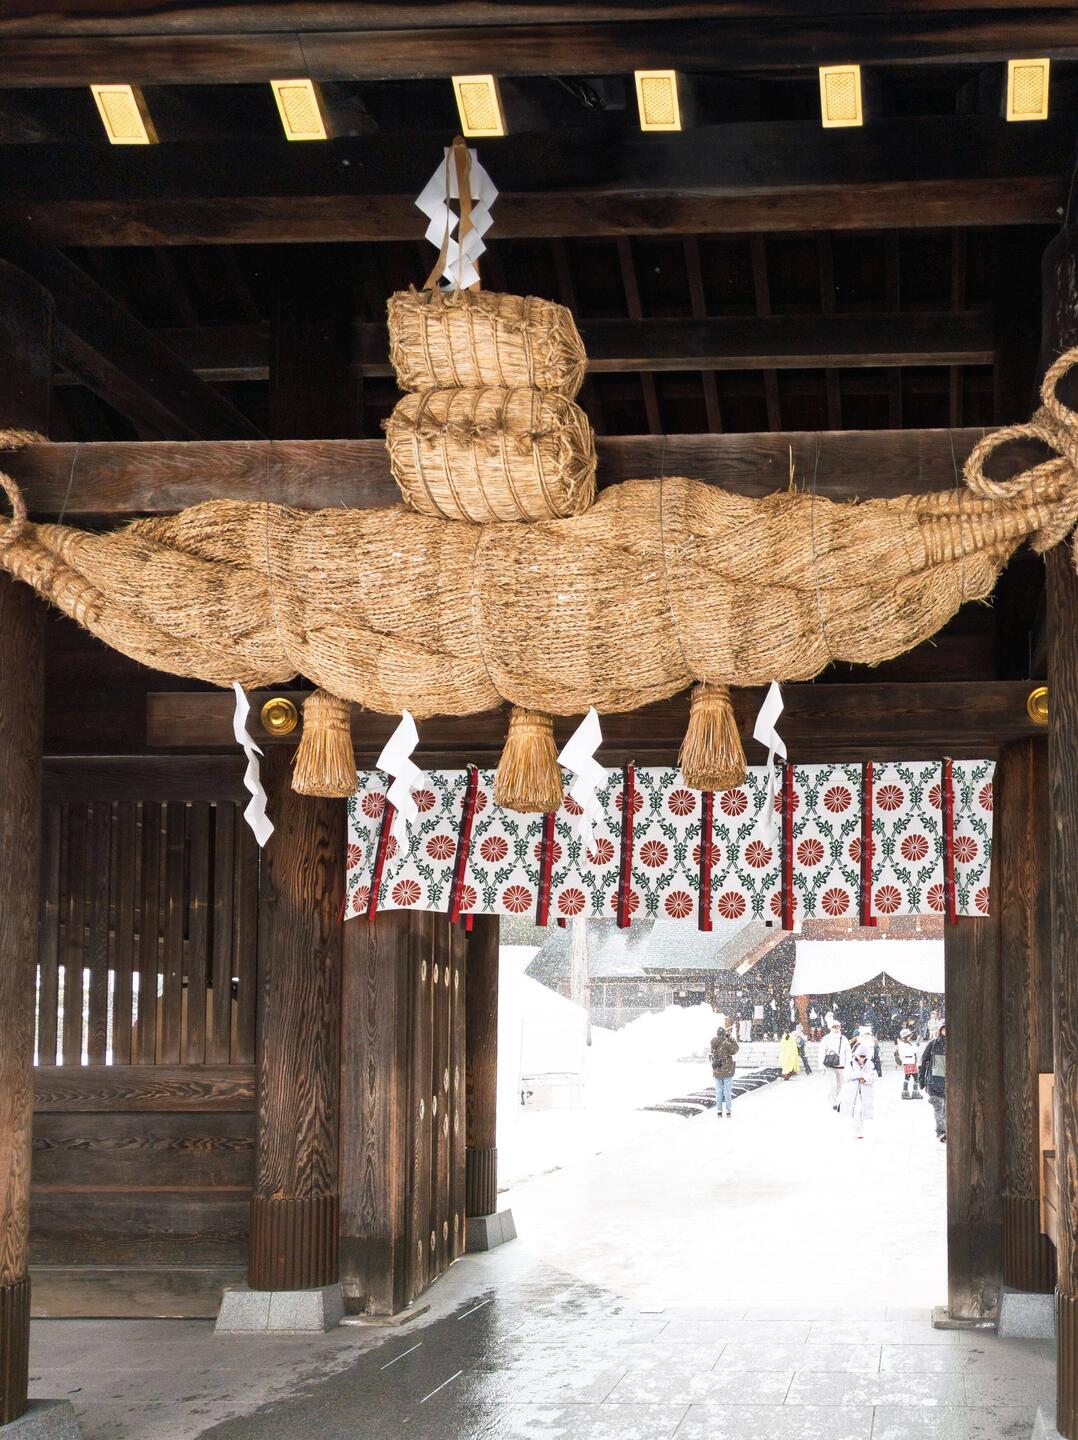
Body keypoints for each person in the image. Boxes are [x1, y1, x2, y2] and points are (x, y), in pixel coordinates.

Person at [840, 1032, 877, 1139]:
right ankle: (856, 1129)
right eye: (860, 1056)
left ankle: (860, 1129)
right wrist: (861, 1075)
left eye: (864, 1057)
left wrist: (864, 1079)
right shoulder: (851, 1064)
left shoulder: (870, 1064)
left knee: (862, 1110)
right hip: (853, 1091)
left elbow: (874, 1077)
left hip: (865, 1091)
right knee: (856, 1110)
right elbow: (847, 1075)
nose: (862, 1059)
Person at [919, 1021, 947, 1141]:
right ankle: (941, 1131)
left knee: (947, 1109)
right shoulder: (934, 1043)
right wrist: (921, 1078)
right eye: (944, 1029)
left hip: (949, 1082)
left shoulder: (957, 1043)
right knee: (938, 1107)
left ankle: (944, 1130)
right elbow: (924, 1061)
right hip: (935, 1082)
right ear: (940, 1030)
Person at [818, 1017, 852, 1111]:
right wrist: (821, 1066)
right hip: (830, 1065)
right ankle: (834, 1102)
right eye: (834, 1027)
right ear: (830, 1028)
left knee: (840, 1085)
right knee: (832, 1085)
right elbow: (821, 1052)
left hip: (841, 1065)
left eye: (837, 1027)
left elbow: (848, 1052)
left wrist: (848, 1063)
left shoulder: (843, 1038)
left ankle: (834, 1098)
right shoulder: (826, 1038)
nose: (836, 1028)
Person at [710, 1024, 739, 1119]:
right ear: (724, 1034)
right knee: (727, 1092)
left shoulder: (713, 1043)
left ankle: (719, 1111)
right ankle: (728, 1111)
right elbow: (735, 1049)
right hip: (727, 1071)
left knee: (718, 1092)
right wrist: (730, 1039)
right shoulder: (726, 1044)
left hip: (717, 1070)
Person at [894, 1028, 922, 1100]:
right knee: (911, 1077)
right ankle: (907, 1092)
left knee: (912, 1077)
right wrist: (918, 1041)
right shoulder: (903, 1044)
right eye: (908, 1035)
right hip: (908, 1061)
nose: (910, 1036)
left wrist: (917, 1042)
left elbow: (914, 1049)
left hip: (910, 1061)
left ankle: (909, 1092)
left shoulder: (906, 1043)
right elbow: (913, 1050)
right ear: (905, 1036)